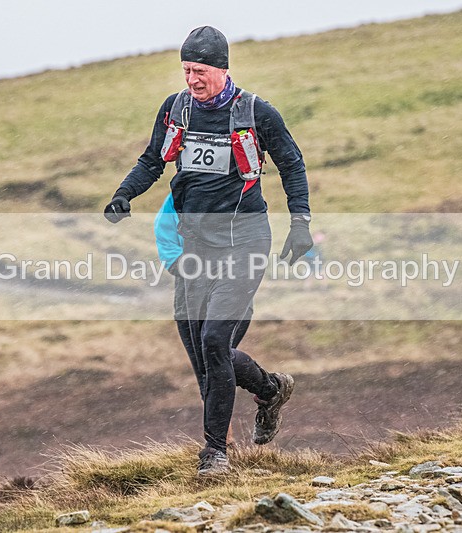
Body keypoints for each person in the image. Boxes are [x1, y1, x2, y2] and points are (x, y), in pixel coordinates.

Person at [104, 26, 313, 476]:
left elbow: (292, 165)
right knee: (205, 356)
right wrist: (125, 194)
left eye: (199, 71)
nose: (191, 80)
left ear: (221, 68)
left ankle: (215, 454)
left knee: (215, 342)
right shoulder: (176, 108)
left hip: (245, 243)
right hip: (196, 248)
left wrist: (301, 224)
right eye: (185, 70)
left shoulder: (257, 112)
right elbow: (152, 160)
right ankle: (270, 389)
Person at [154, 192, 252, 447]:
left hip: (232, 290)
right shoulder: (183, 191)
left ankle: (266, 387)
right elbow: (164, 230)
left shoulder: (241, 193)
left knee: (217, 360)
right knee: (207, 371)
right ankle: (223, 443)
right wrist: (187, 267)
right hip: (189, 295)